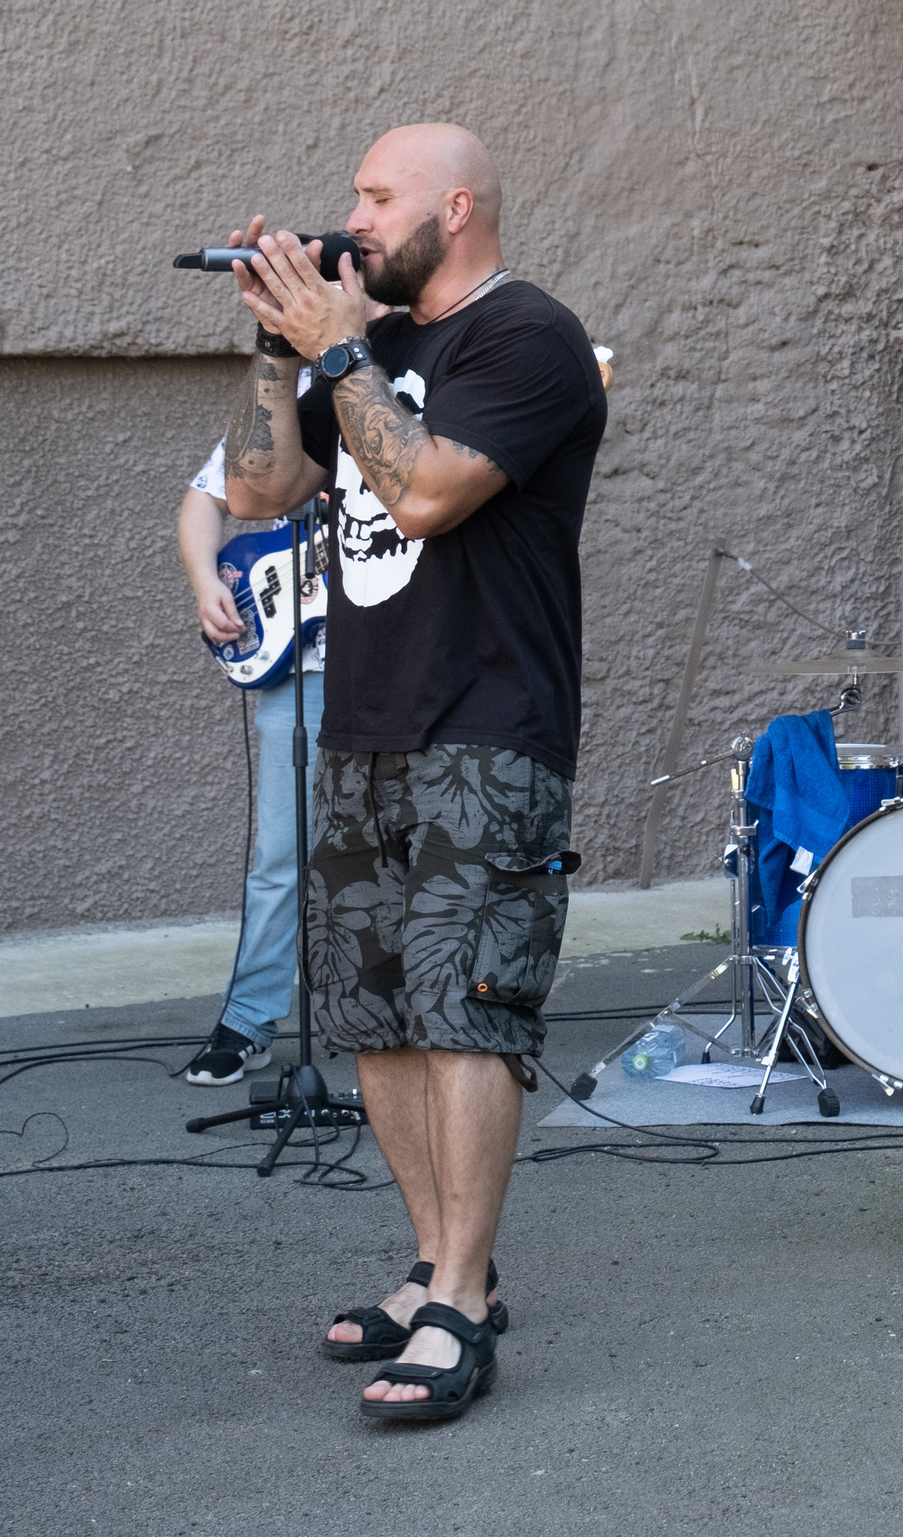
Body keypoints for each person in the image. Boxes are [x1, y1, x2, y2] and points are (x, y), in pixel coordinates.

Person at [220, 123, 607, 1423]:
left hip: (491, 723)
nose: (355, 216)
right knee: (377, 1012)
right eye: (351, 196)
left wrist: (335, 344)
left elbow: (434, 490)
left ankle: (457, 1303)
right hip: (367, 724)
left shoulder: (527, 338)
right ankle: (449, 1266)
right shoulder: (365, 348)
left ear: (458, 206)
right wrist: (282, 350)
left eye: (377, 197)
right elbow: (263, 496)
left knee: (468, 1009)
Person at [175, 405, 324, 1087]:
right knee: (280, 855)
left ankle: (421, 1015)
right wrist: (209, 583)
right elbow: (205, 499)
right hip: (306, 672)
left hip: (409, 664)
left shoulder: (428, 380)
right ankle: (250, 1019)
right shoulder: (289, 397)